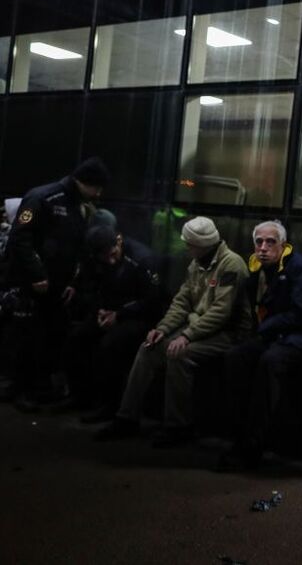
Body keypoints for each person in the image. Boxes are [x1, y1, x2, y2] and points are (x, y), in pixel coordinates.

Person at [95, 217, 251, 447]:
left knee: (178, 353)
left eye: (189, 243)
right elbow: (181, 302)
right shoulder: (196, 263)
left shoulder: (231, 265)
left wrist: (186, 336)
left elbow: (221, 312)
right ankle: (127, 417)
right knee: (148, 347)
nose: (186, 248)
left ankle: (178, 426)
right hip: (199, 327)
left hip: (228, 333)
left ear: (202, 244)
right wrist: (162, 328)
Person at [219, 220, 302, 470]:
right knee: (236, 357)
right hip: (278, 335)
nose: (263, 248)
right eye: (259, 242)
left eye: (270, 242)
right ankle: (237, 436)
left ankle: (254, 445)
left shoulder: (299, 268)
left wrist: (266, 328)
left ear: (283, 245)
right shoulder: (257, 269)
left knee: (270, 362)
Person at [6, 157, 110, 412]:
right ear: (84, 182)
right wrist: (36, 274)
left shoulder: (76, 204)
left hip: (57, 284)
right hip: (36, 283)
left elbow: (73, 247)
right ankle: (24, 390)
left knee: (49, 337)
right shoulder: (43, 198)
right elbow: (21, 238)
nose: (99, 194)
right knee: (30, 337)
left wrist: (72, 281)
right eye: (96, 187)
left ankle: (38, 388)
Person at [63, 225, 163, 421]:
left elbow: (152, 301)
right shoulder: (94, 256)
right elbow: (93, 286)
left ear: (119, 241)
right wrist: (99, 310)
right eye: (104, 258)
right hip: (107, 311)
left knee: (110, 345)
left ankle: (110, 406)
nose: (110, 261)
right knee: (76, 339)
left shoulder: (142, 258)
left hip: (138, 316)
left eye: (112, 254)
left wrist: (120, 314)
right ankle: (80, 396)